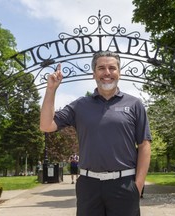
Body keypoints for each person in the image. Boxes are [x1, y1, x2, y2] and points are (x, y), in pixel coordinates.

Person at [40, 51, 151, 216]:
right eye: (101, 68)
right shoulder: (80, 106)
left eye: (112, 68)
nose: (107, 73)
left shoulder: (135, 105)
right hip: (88, 186)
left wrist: (138, 185)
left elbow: (144, 145)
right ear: (94, 74)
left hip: (124, 185)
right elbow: (46, 125)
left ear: (119, 72)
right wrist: (51, 90)